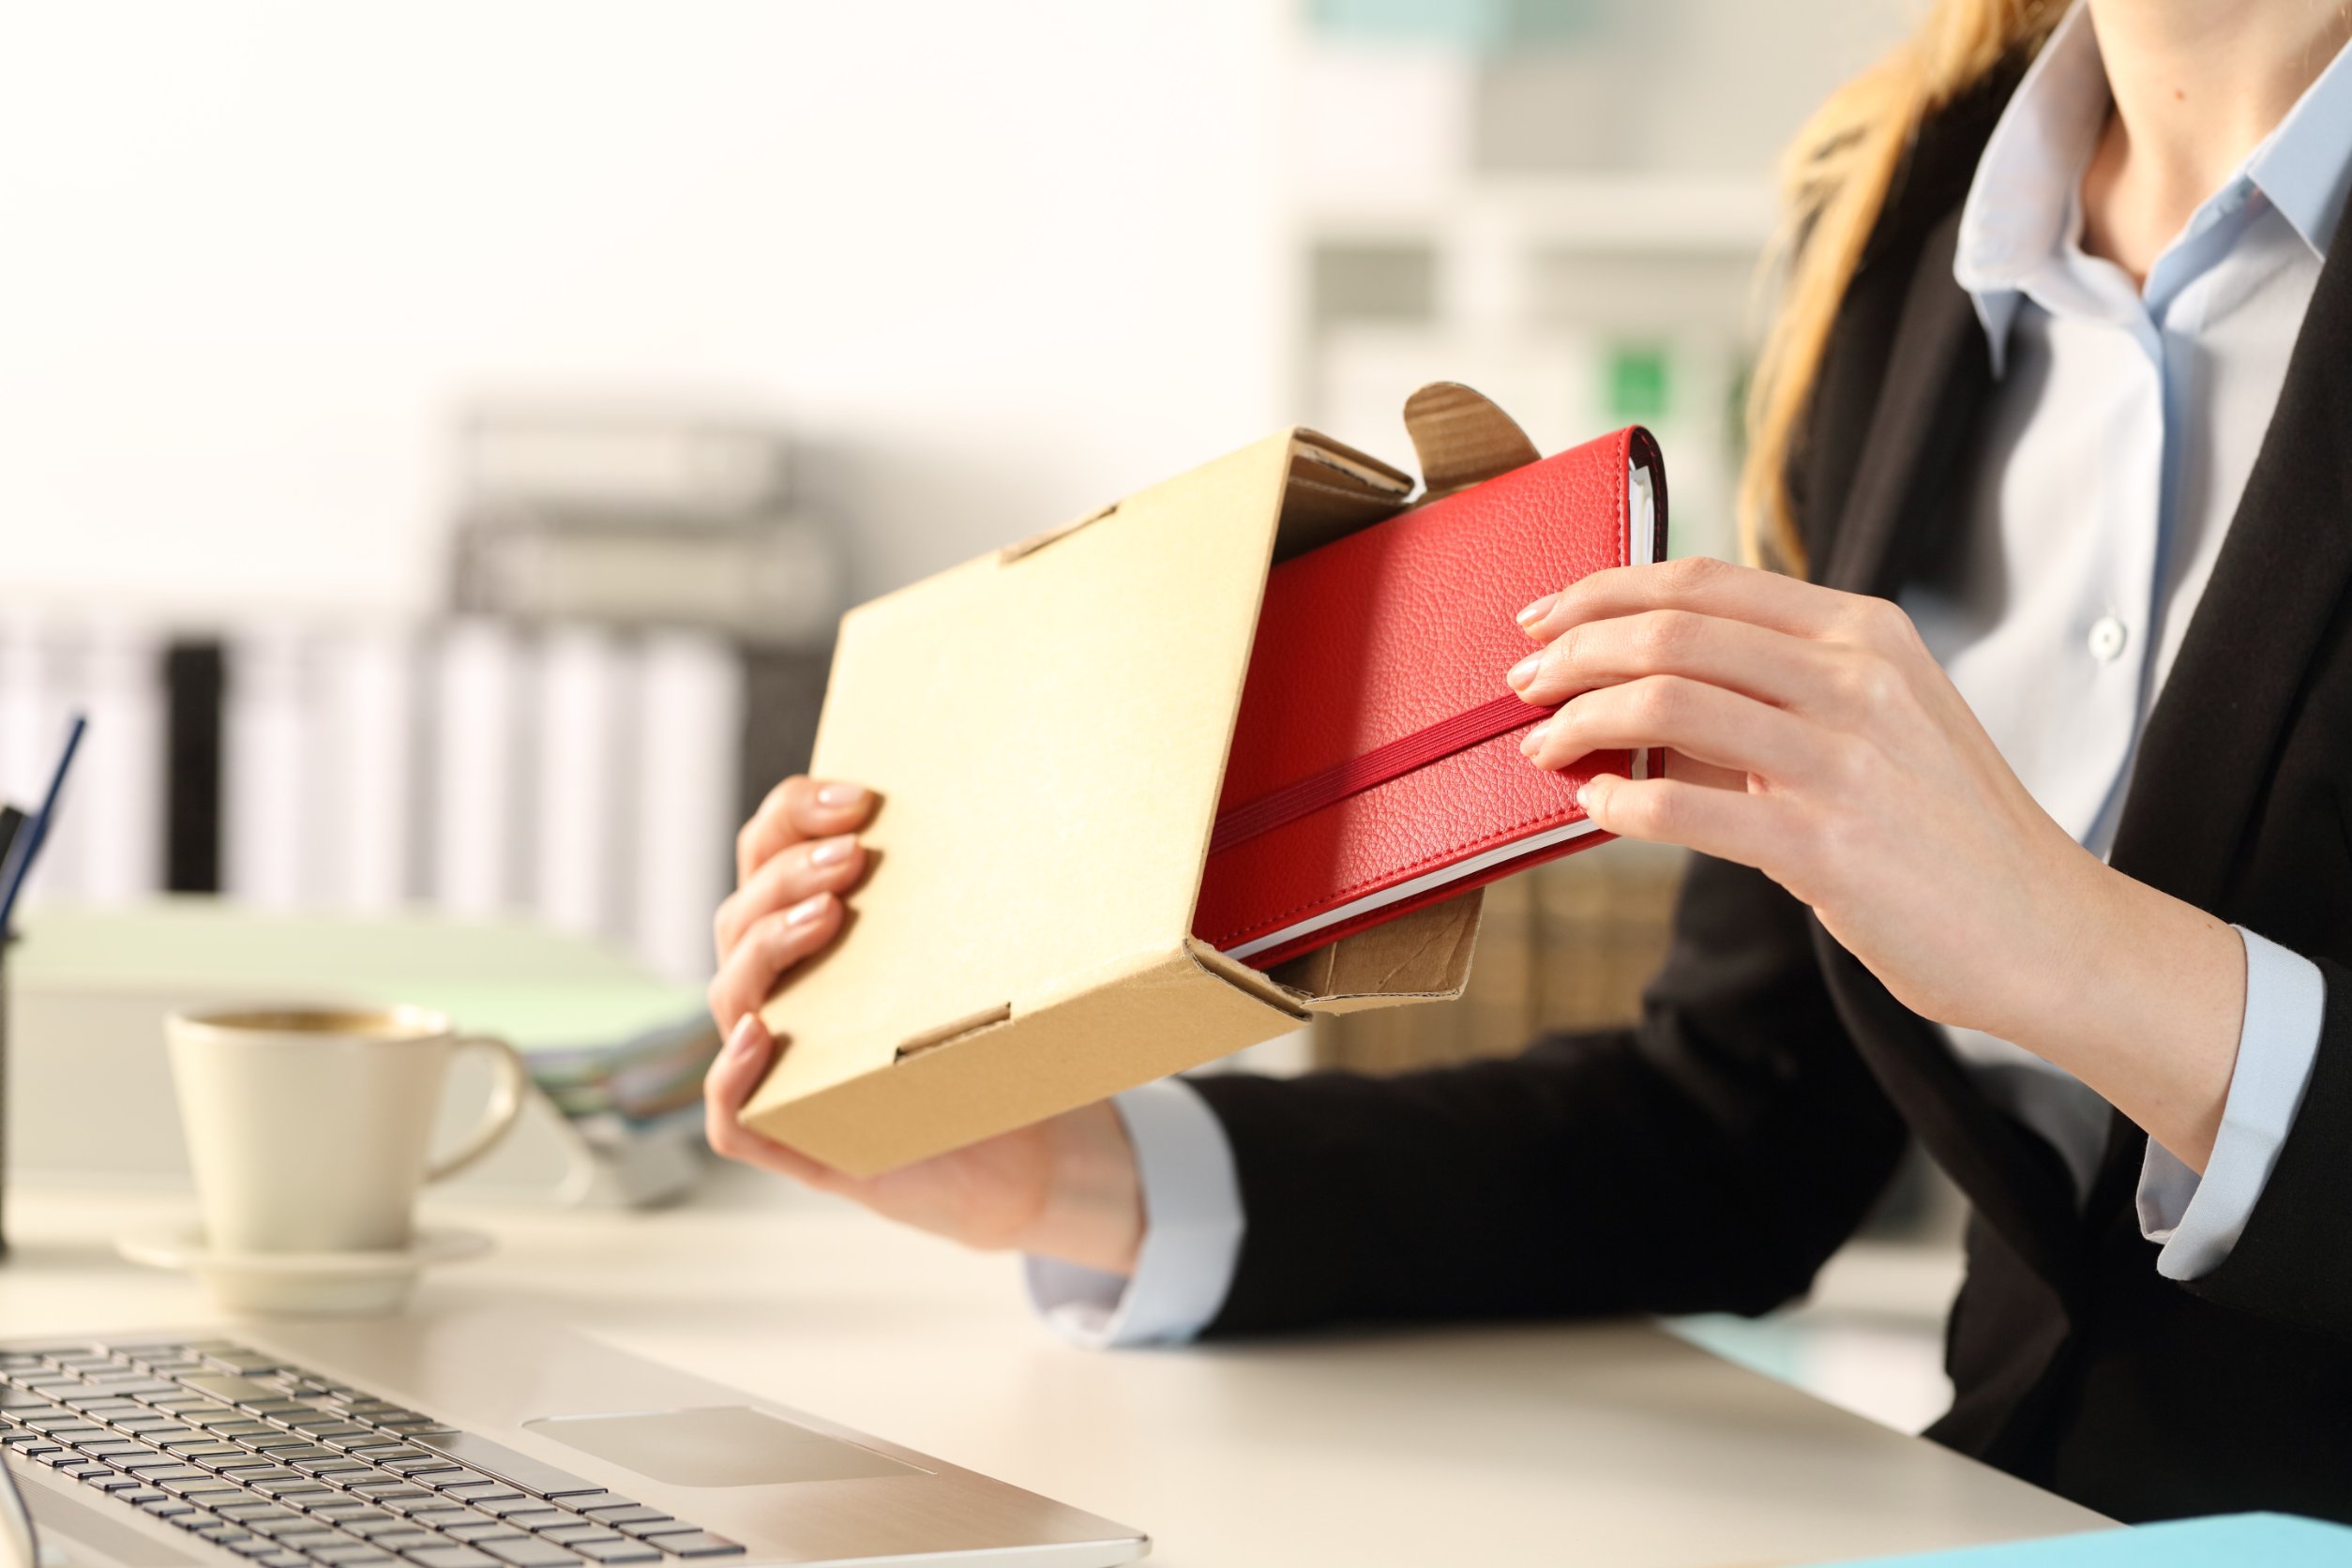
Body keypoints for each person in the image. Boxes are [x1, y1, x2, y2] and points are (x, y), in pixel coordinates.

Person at [702, 0, 2352, 1524]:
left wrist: (2082, 959)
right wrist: (1072, 1171)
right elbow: (1735, 1130)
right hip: (1997, 1521)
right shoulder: (1900, 230)